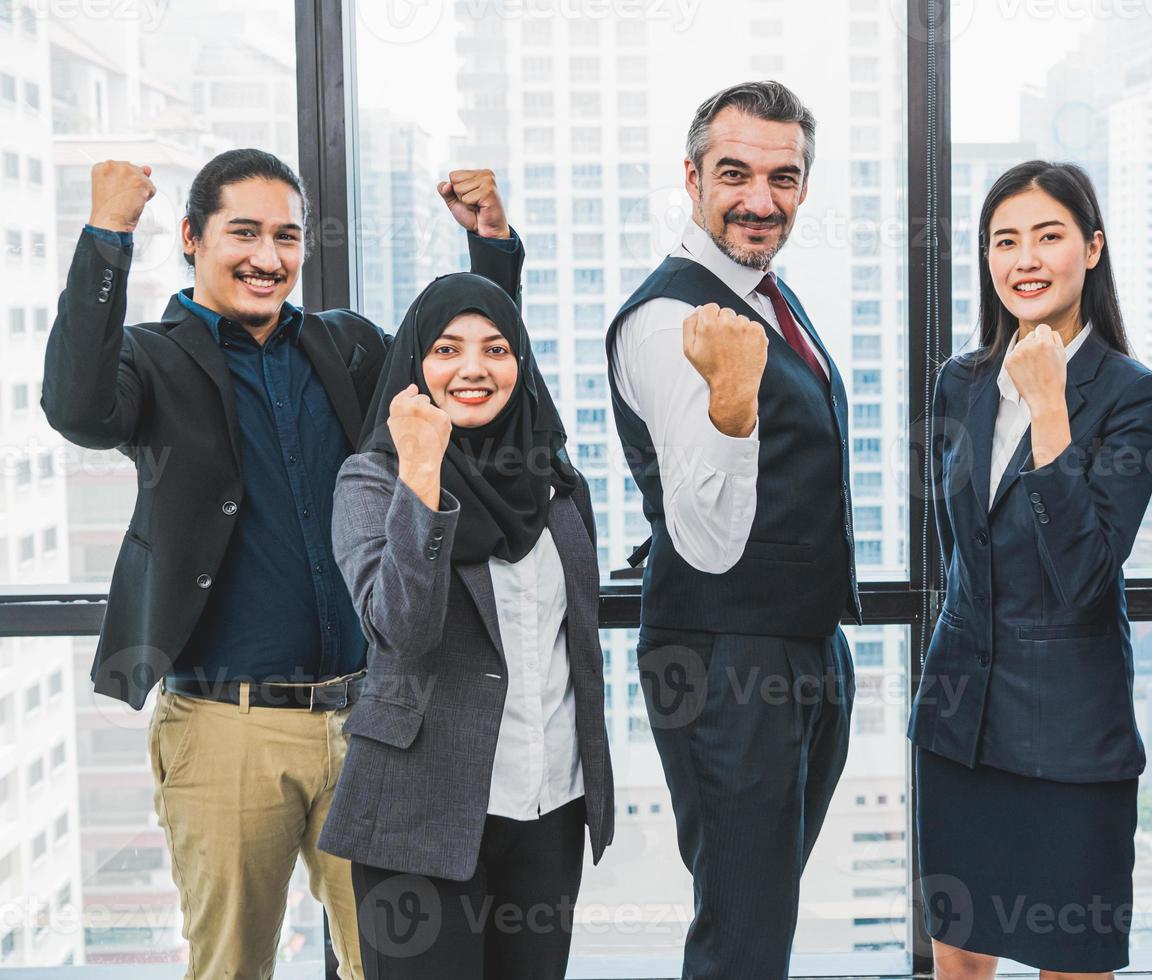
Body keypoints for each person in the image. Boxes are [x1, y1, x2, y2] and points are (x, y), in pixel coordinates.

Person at [41, 149, 523, 978]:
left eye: (287, 237)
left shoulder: (349, 346)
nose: (268, 258)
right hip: (228, 729)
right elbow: (77, 408)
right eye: (244, 234)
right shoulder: (152, 358)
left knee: (394, 965)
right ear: (191, 238)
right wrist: (107, 233)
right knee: (232, 967)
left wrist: (490, 250)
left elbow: (469, 373)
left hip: (372, 722)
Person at [605, 80, 860, 978]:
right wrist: (731, 402)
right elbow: (706, 538)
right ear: (691, 176)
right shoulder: (668, 317)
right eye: (735, 173)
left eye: (783, 177)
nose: (761, 199)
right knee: (743, 932)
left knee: (760, 910)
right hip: (727, 662)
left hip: (799, 647)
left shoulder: (764, 296)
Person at [911, 161, 1152, 979]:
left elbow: (1085, 572)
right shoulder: (959, 382)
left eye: (1048, 236)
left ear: (1090, 249)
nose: (1024, 258)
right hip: (960, 725)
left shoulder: (1133, 394)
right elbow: (962, 551)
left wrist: (1050, 409)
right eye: (1004, 240)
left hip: (1069, 734)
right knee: (956, 962)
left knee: (1071, 965)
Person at [319, 272, 613, 975]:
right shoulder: (372, 479)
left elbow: (576, 637)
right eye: (447, 349)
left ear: (521, 365)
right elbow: (402, 631)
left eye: (496, 349)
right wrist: (422, 474)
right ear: (416, 365)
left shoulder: (556, 481)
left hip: (549, 803)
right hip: (419, 812)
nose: (474, 368)